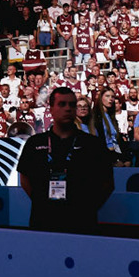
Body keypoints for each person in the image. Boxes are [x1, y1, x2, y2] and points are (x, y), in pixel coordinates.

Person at [17, 86, 115, 233]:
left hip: (81, 224)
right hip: (43, 221)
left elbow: (107, 183)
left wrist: (87, 208)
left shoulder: (92, 144)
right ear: (51, 109)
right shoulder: (35, 143)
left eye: (72, 105)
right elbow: (24, 179)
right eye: (62, 104)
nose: (68, 109)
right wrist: (42, 202)